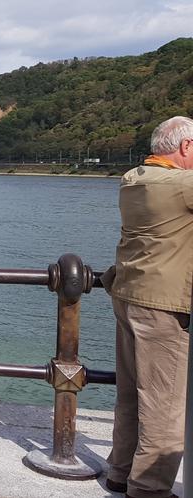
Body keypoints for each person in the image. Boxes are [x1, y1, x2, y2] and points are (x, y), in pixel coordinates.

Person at [102, 115, 193, 498]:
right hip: (163, 306)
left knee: (131, 393)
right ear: (186, 147)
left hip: (128, 295)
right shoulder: (183, 185)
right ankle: (149, 489)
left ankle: (120, 472)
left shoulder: (133, 179)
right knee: (165, 404)